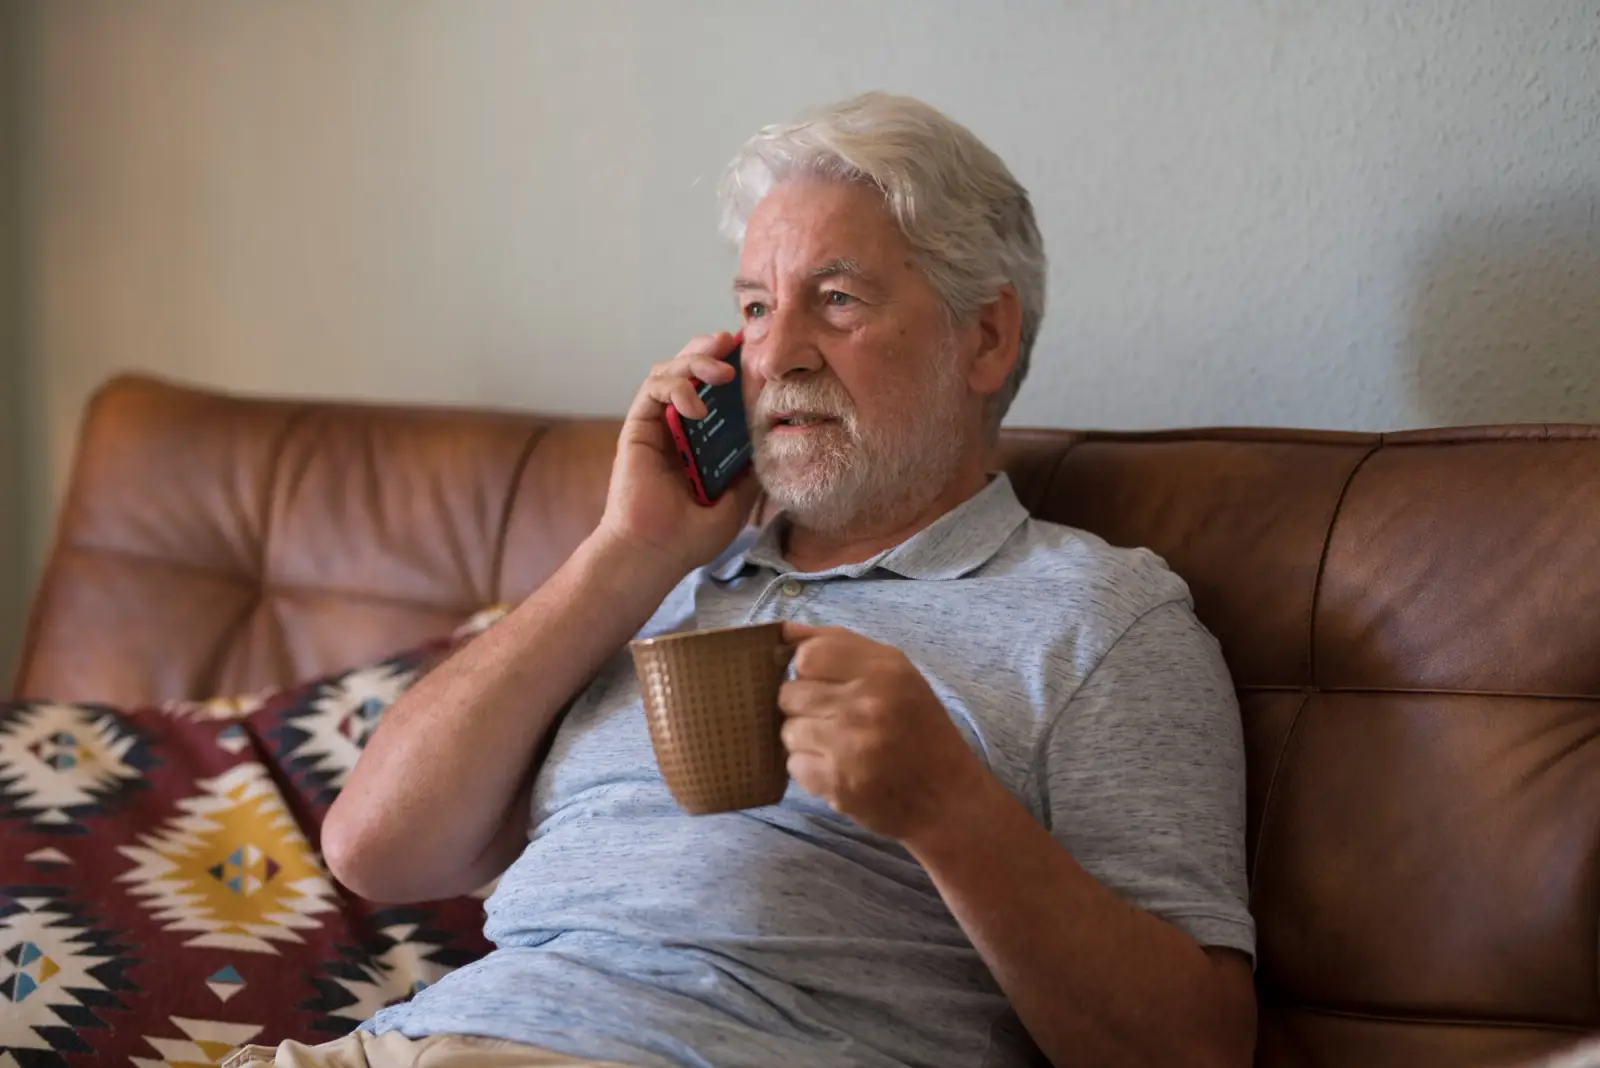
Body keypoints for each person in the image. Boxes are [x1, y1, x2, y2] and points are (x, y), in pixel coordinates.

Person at [228, 92, 1256, 1068]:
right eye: (756, 307)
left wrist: (949, 809)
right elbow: (374, 849)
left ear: (984, 335)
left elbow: (1198, 1052)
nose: (777, 355)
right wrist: (628, 549)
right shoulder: (660, 584)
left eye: (836, 300)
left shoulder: (1097, 619)